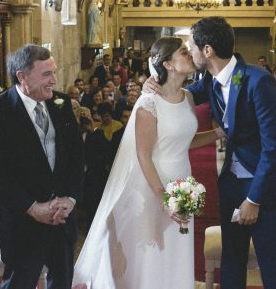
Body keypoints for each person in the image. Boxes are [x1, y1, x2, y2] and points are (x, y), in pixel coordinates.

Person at [145, 17, 276, 288]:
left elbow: (273, 149)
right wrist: (155, 86)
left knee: (273, 265)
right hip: (231, 186)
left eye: (191, 47)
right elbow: (183, 94)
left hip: (265, 190)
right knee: (231, 263)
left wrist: (254, 199)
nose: (189, 54)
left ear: (207, 51)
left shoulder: (257, 81)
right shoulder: (210, 80)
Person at [73, 37, 225, 289]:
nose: (189, 55)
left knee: (176, 248)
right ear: (168, 64)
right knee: (151, 251)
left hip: (182, 181)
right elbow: (143, 154)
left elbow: (183, 141)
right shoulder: (148, 103)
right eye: (183, 52)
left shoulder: (187, 97)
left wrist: (220, 133)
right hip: (153, 184)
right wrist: (164, 197)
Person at [0, 44, 84, 289]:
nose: (54, 80)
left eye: (53, 72)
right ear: (22, 77)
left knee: (62, 283)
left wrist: (70, 198)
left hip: (62, 218)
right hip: (22, 223)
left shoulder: (62, 103)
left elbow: (76, 157)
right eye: (46, 74)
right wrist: (33, 208)